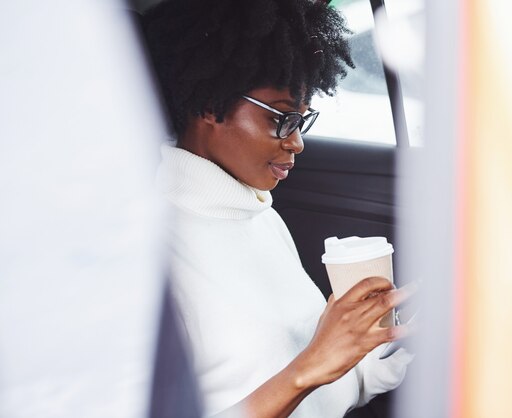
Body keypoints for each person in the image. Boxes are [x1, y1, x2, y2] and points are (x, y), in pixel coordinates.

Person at [142, 0, 414, 416]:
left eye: (302, 122)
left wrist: (400, 341)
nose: (296, 142)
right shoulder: (150, 250)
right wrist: (307, 370)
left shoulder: (259, 213)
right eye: (282, 119)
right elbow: (308, 369)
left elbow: (325, 383)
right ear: (210, 105)